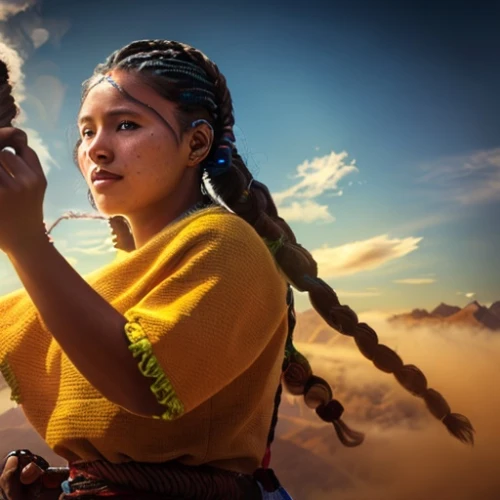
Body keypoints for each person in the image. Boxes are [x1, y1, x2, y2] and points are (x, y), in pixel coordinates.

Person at [0, 40, 474, 499]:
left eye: (125, 125)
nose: (96, 149)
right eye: (86, 131)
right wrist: (71, 482)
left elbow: (141, 382)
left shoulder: (227, 244)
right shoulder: (118, 277)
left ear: (196, 142)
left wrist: (24, 243)